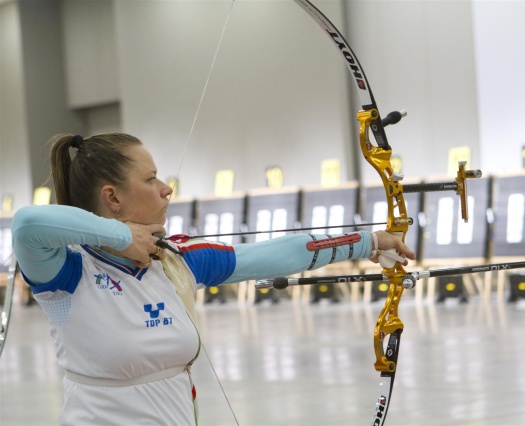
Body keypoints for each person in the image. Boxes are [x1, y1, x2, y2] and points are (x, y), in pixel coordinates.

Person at [11, 133, 415, 425]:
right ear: (113, 197)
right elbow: (27, 223)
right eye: (150, 179)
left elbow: (273, 253)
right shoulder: (66, 270)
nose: (166, 189)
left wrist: (368, 242)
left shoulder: (174, 262)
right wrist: (121, 236)